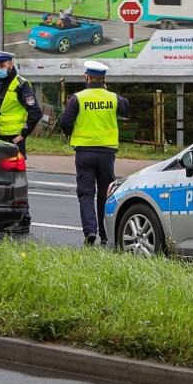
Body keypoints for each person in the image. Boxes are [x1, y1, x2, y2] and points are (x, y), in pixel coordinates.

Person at [58, 60, 130, 246]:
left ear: (87, 77)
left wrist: (70, 133)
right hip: (107, 154)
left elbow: (64, 122)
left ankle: (90, 232)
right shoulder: (113, 98)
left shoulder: (78, 98)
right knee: (106, 194)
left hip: (84, 153)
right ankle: (106, 234)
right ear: (104, 79)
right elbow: (127, 107)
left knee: (86, 193)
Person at [0, 50, 42, 235]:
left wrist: (23, 134)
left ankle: (24, 220)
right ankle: (6, 218)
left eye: (1, 66)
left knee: (15, 182)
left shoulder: (21, 85)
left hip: (13, 141)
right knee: (0, 182)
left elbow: (36, 112)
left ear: (10, 64)